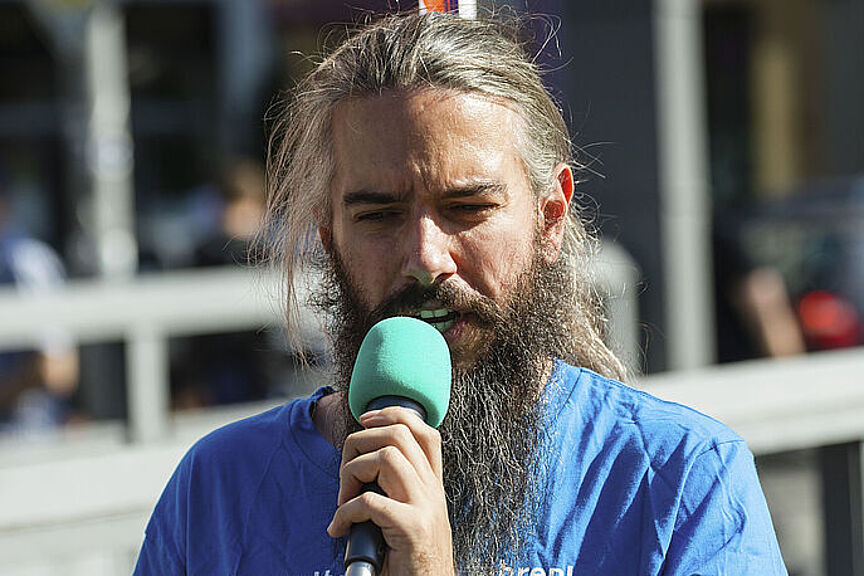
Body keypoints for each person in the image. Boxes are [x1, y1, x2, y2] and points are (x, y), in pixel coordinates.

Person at [134, 12, 787, 575]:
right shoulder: (219, 491)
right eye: (379, 215)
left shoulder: (680, 479)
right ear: (328, 238)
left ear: (549, 219)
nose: (425, 259)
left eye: (467, 207)